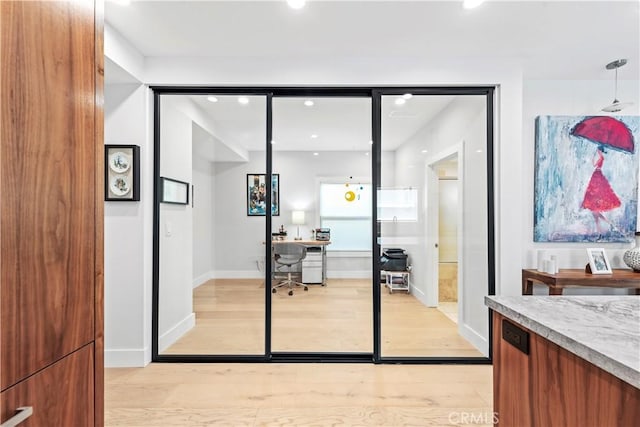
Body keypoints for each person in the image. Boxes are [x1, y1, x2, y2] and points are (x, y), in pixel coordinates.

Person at [581, 146, 620, 234]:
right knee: (595, 215)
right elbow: (594, 164)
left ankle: (606, 226)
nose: (598, 151)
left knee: (595, 213)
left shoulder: (601, 157)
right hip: (596, 174)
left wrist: (596, 154)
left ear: (600, 150)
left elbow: (596, 164)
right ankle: (605, 227)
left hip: (597, 175)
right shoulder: (600, 157)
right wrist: (593, 157)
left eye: (599, 150)